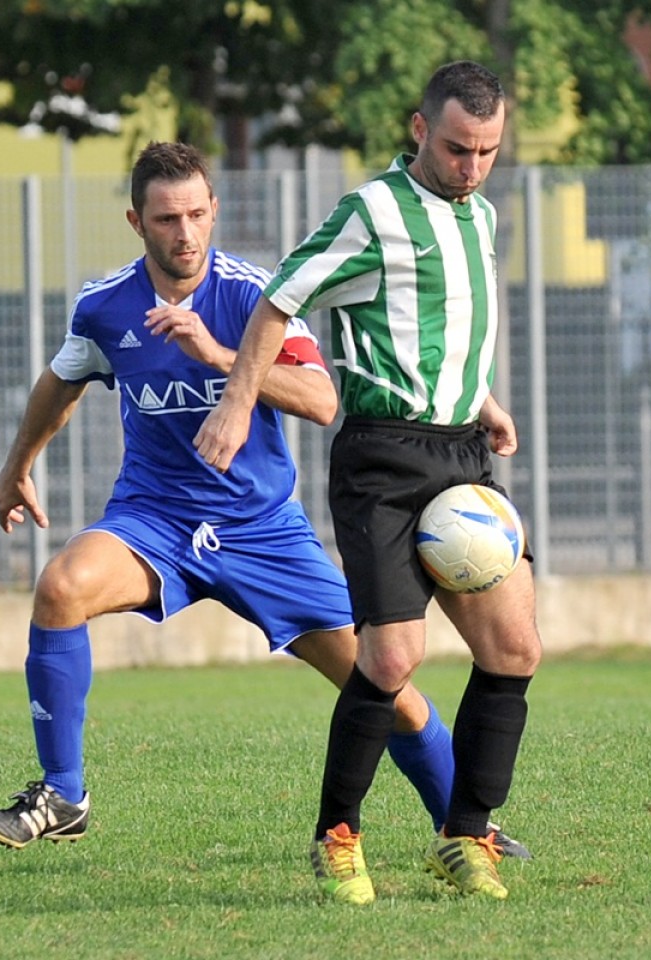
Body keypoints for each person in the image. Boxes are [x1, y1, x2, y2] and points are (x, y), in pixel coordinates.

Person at [0, 141, 528, 864]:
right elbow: (62, 380)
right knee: (60, 587)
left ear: (215, 212)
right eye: (168, 218)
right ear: (136, 221)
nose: (186, 233)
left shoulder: (250, 295)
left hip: (263, 533)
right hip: (155, 522)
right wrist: (17, 466)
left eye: (198, 214)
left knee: (388, 683)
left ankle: (464, 826)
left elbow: (323, 398)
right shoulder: (105, 306)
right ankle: (63, 793)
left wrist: (217, 356)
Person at [199, 62, 542, 903]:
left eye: (488, 152)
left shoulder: (483, 214)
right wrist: (238, 405)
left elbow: (442, 323)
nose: (472, 167)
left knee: (515, 647)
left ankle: (465, 836)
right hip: (384, 458)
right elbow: (278, 301)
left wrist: (486, 400)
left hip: (463, 453)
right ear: (421, 130)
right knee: (392, 653)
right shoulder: (370, 212)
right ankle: (337, 836)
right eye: (458, 148)